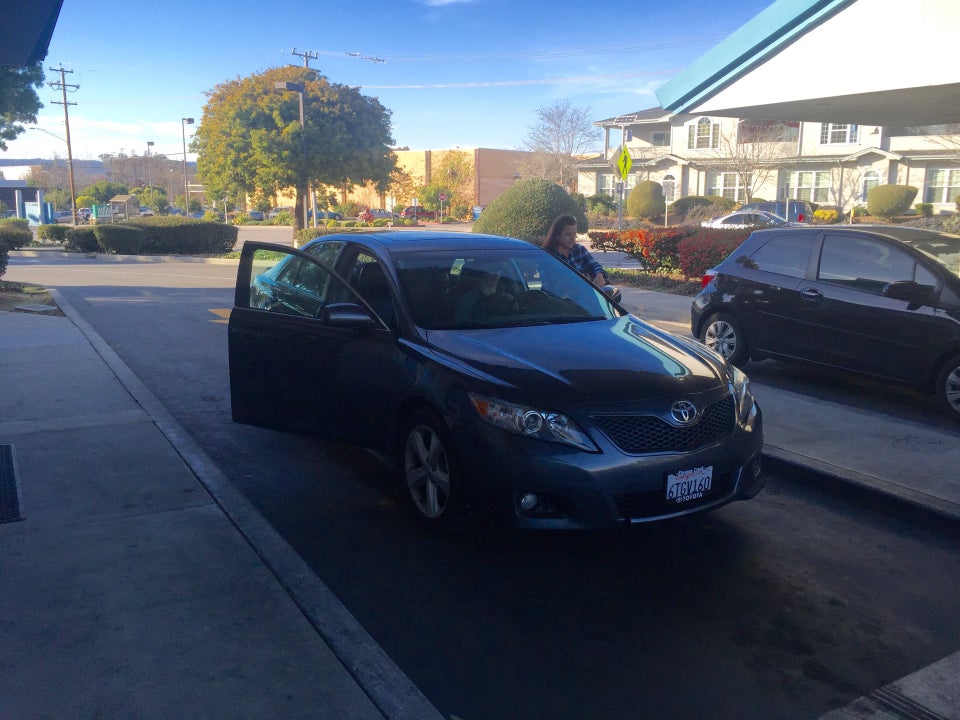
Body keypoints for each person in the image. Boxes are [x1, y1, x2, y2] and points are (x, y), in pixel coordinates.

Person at [542, 214, 608, 287]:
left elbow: (594, 265)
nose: (572, 238)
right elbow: (549, 283)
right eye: (568, 235)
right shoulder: (548, 255)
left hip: (582, 293)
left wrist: (599, 274)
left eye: (574, 234)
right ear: (557, 235)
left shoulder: (580, 250)